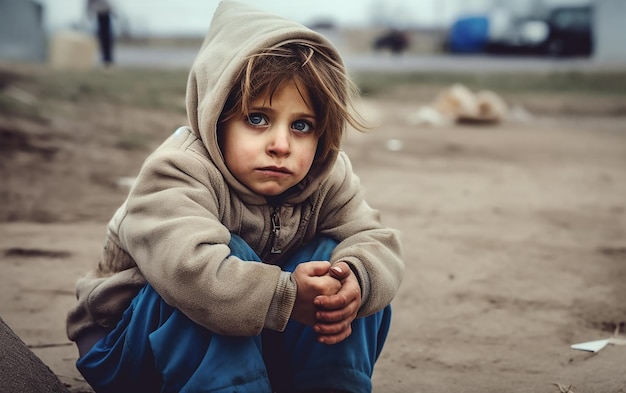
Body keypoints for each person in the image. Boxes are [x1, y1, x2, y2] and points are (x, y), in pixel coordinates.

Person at [66, 1, 404, 392]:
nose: (281, 145)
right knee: (226, 260)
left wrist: (354, 282)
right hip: (132, 350)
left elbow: (378, 242)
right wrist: (288, 296)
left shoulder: (325, 176)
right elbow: (187, 271)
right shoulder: (177, 171)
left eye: (302, 125)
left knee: (340, 269)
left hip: (255, 344)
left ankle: (330, 384)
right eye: (257, 118)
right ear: (215, 113)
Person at [86, 0, 114, 67]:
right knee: (104, 36)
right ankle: (106, 58)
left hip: (105, 12)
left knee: (106, 37)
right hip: (101, 13)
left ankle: (107, 58)